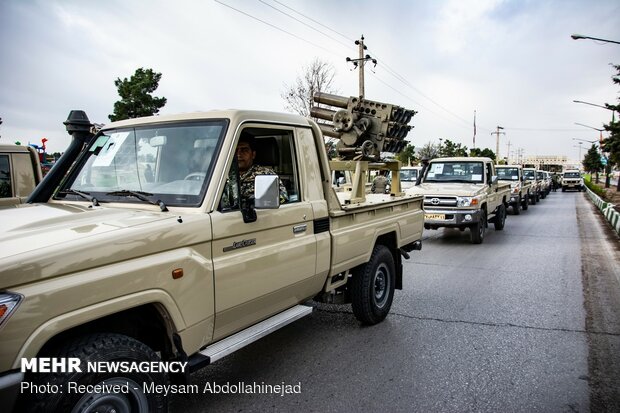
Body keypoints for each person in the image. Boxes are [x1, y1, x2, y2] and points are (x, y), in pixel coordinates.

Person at [229, 134, 288, 206]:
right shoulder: (222, 175)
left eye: (244, 150)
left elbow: (283, 199)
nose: (238, 154)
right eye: (235, 150)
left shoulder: (266, 175)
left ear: (253, 154)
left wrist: (255, 202)